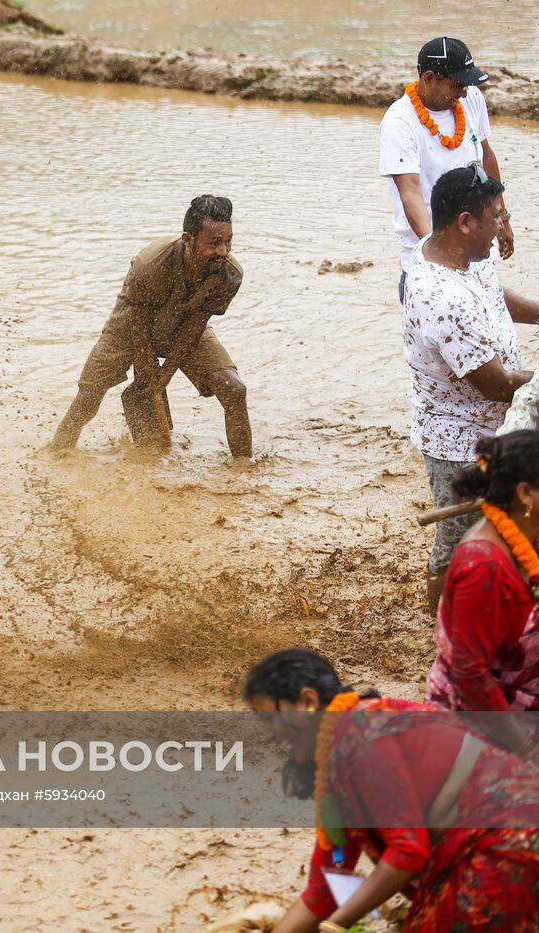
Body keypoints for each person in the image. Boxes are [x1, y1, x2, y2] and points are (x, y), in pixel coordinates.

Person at [244, 648, 539, 932]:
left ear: (307, 703)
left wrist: (335, 926)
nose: (270, 734)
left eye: (270, 719)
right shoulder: (338, 756)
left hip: (512, 841)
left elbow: (407, 851)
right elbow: (325, 887)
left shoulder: (360, 734)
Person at [402, 165, 539, 608]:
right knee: (459, 543)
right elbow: (497, 386)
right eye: (497, 216)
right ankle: (439, 624)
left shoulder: (452, 250)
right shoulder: (441, 298)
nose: (503, 225)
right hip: (460, 443)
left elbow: (496, 296)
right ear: (465, 223)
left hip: (493, 428)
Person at [48, 195, 250, 458]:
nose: (223, 251)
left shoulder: (229, 274)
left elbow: (196, 324)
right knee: (89, 395)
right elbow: (138, 317)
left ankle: (243, 470)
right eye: (214, 243)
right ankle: (58, 452)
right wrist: (146, 367)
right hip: (130, 325)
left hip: (184, 325)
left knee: (234, 389)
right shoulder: (152, 263)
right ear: (188, 239)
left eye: (228, 241)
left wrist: (165, 374)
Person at [426, 431, 539, 750]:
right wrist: (527, 751)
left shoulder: (529, 534)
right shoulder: (483, 568)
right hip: (492, 730)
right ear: (526, 494)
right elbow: (471, 675)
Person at [379, 37, 512, 304]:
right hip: (432, 268)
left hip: (478, 256)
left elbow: (486, 158)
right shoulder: (399, 121)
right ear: (429, 78)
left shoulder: (471, 99)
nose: (464, 92)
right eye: (457, 84)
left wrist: (502, 218)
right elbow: (411, 193)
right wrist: (443, 253)